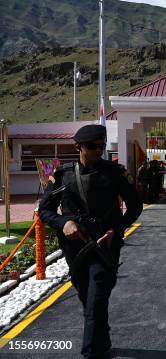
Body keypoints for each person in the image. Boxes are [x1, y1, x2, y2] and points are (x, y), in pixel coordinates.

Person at [39, 124, 142, 358]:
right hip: (75, 250)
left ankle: (90, 353)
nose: (99, 150)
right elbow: (44, 211)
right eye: (93, 146)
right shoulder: (62, 175)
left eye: (102, 146)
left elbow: (135, 206)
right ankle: (103, 341)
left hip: (105, 246)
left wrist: (117, 229)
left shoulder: (115, 173)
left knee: (95, 301)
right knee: (87, 299)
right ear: (78, 147)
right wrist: (63, 222)